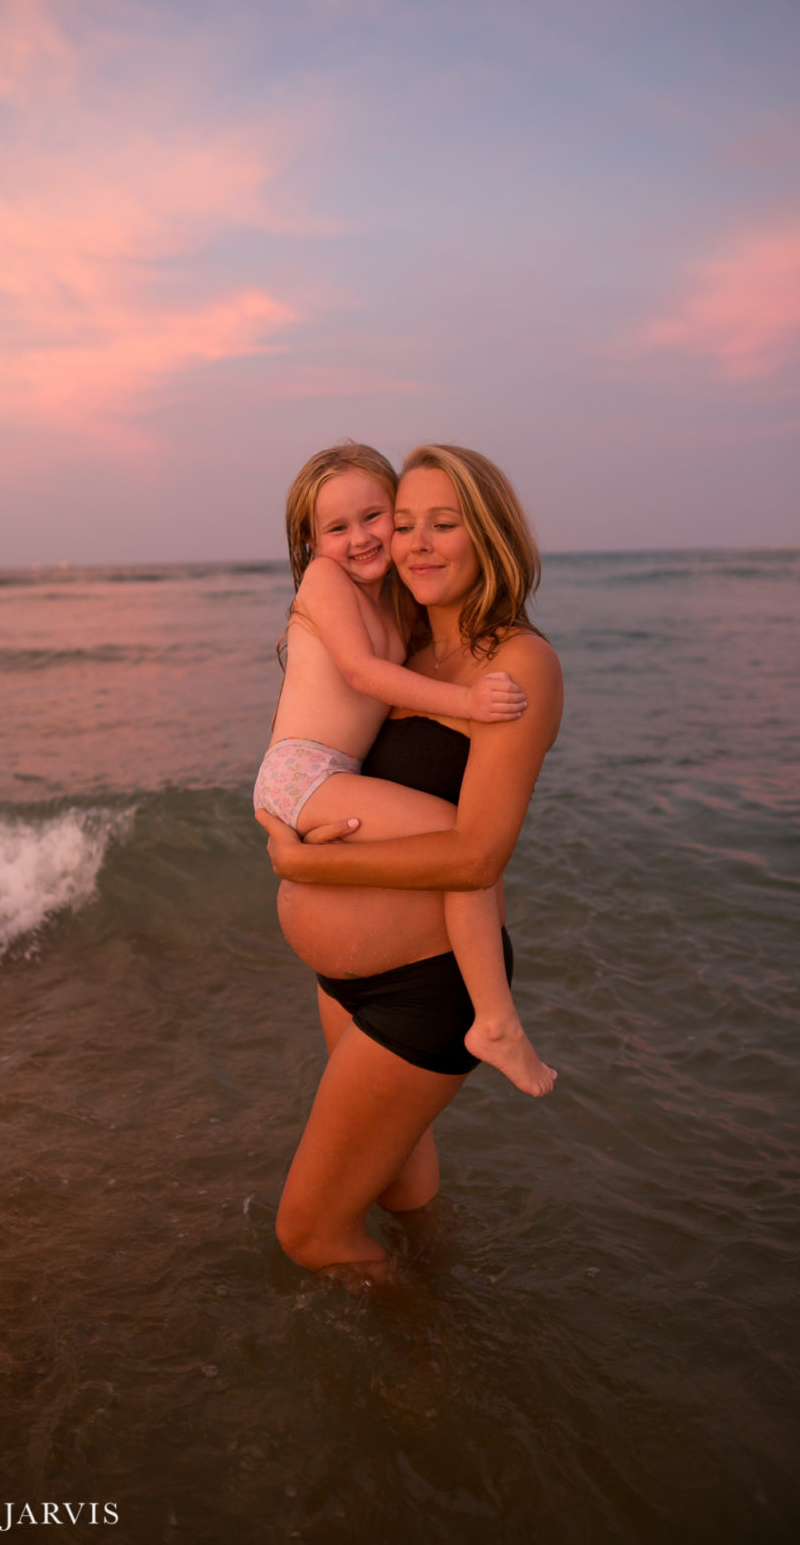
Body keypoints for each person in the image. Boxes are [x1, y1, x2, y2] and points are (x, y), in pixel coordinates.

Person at [256, 443, 564, 1280]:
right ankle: (435, 1296)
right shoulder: (404, 656)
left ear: (490, 532)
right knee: (398, 1195)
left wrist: (306, 867)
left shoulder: (516, 663)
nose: (415, 543)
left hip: (429, 990)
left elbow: (477, 853)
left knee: (309, 1232)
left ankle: (423, 1355)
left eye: (444, 523)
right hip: (344, 986)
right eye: (405, 525)